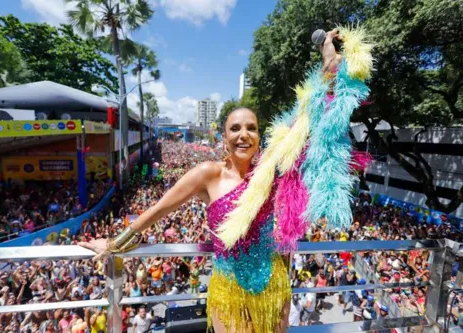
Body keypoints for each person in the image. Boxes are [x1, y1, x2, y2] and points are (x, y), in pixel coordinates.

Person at [80, 28, 343, 333]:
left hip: (274, 287)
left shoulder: (270, 168)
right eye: (235, 128)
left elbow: (307, 115)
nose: (244, 134)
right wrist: (114, 244)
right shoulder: (208, 173)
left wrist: (328, 57)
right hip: (228, 291)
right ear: (224, 136)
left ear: (260, 136)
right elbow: (158, 210)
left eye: (252, 128)